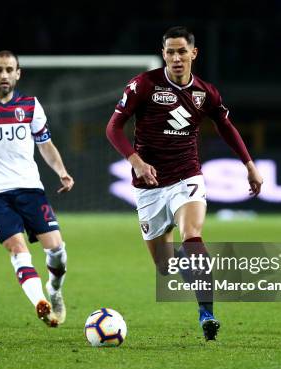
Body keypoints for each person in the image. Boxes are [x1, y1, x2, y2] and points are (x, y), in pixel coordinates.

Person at [106, 26, 263, 341]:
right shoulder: (143, 86)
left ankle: (207, 314)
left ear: (194, 53)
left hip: (186, 176)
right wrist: (136, 161)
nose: (176, 58)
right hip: (148, 185)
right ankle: (184, 262)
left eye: (182, 51)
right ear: (163, 54)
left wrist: (249, 164)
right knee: (164, 268)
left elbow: (226, 126)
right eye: (170, 52)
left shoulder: (206, 93)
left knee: (193, 235)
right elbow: (114, 128)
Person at [0, 50, 74, 327]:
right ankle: (40, 303)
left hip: (29, 188)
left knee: (57, 250)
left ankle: (54, 290)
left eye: (9, 69)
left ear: (17, 73)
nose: (3, 75)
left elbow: (45, 144)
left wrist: (61, 171)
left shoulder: (31, 106)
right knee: (17, 249)